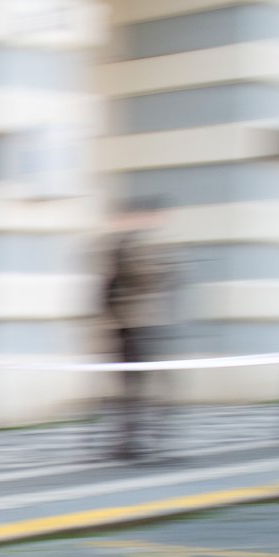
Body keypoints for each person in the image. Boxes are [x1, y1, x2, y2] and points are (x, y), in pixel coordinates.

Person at [100, 196, 176, 462]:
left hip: (133, 324)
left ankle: (138, 440)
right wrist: (166, 268)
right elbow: (145, 279)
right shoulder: (132, 245)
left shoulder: (121, 245)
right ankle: (135, 441)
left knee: (140, 387)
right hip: (137, 325)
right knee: (140, 388)